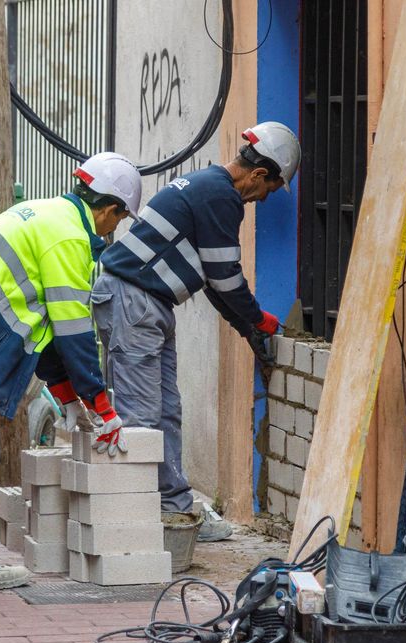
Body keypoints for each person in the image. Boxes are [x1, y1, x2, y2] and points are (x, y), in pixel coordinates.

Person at [0, 152, 139, 589]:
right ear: (108, 209)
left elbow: (46, 328)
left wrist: (67, 397)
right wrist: (102, 405)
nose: (115, 228)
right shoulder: (70, 237)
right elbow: (72, 331)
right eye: (120, 218)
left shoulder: (43, 211)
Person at [94, 121, 299, 541]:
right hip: (135, 302)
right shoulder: (221, 197)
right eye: (270, 188)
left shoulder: (206, 185)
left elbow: (210, 279)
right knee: (141, 419)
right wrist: (258, 320)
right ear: (259, 174)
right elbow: (225, 277)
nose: (264, 198)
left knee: (165, 411)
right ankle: (133, 530)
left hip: (146, 303)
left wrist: (246, 327)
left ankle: (174, 510)